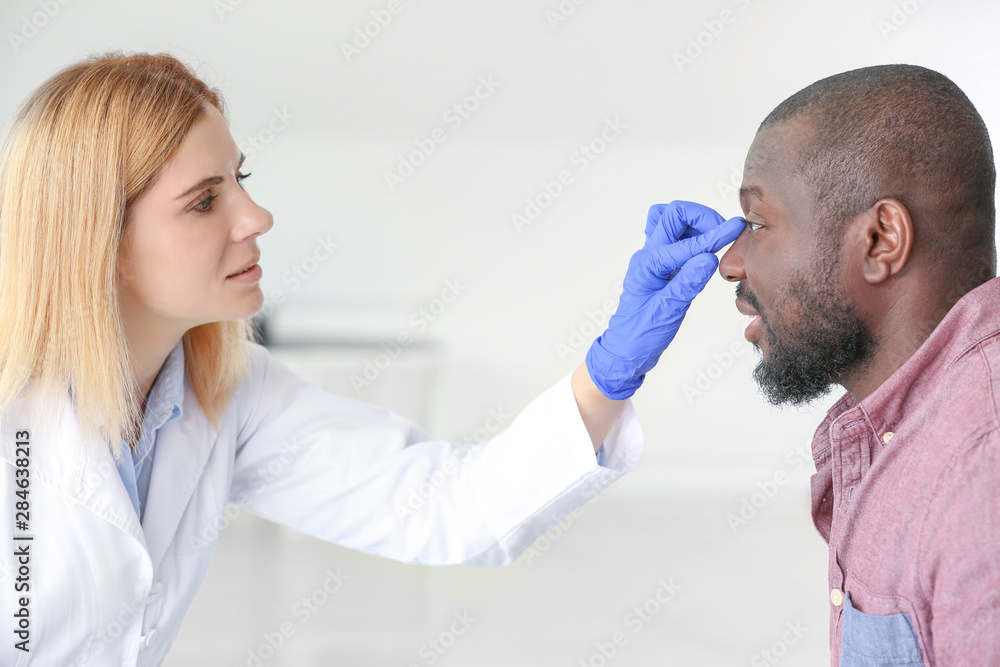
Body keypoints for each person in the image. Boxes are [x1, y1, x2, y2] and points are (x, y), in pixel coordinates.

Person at [0, 51, 743, 665]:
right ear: (98, 240)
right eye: (204, 201)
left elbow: (452, 509)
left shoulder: (226, 390)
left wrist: (608, 369)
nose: (256, 217)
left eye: (241, 180)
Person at [717, 63, 999, 665]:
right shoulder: (903, 430)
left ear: (880, 241)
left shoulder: (981, 482)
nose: (731, 264)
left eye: (758, 223)